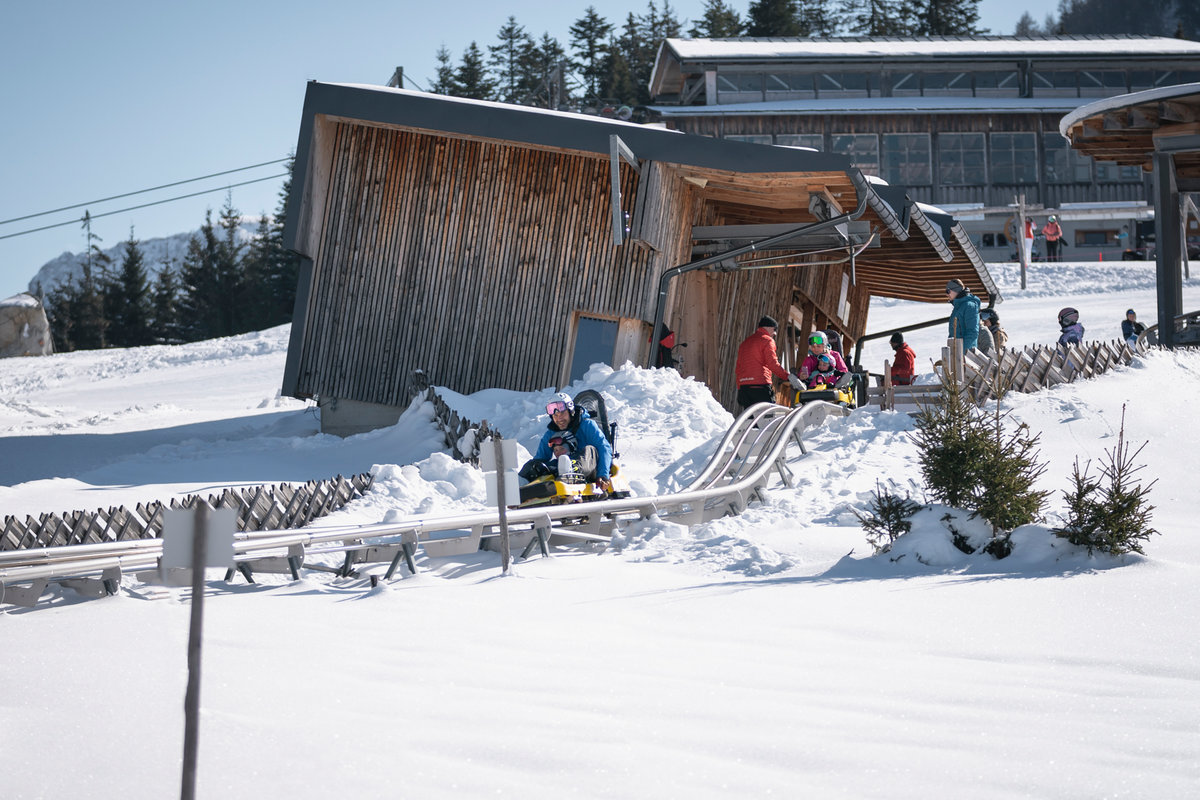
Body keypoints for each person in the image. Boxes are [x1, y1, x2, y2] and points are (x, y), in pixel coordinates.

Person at [526, 392, 614, 491]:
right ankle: (519, 484)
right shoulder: (551, 433)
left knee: (590, 449)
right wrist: (532, 470)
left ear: (570, 411)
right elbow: (540, 458)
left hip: (591, 470)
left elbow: (604, 447)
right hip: (562, 472)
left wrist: (603, 474)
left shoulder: (587, 425)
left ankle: (571, 470)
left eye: (562, 413)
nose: (559, 418)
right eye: (555, 415)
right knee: (533, 465)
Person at [734, 316, 804, 410]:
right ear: (768, 327)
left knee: (751, 420)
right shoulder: (767, 340)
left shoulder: (745, 343)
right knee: (768, 418)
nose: (775, 333)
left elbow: (738, 368)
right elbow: (772, 364)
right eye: (774, 329)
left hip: (744, 387)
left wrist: (740, 387)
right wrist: (788, 376)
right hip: (760, 386)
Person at [945, 279, 981, 351]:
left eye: (948, 291)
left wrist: (963, 352)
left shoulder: (969, 306)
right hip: (956, 352)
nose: (947, 294)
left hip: (966, 354)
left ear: (956, 290)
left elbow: (972, 332)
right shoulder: (958, 307)